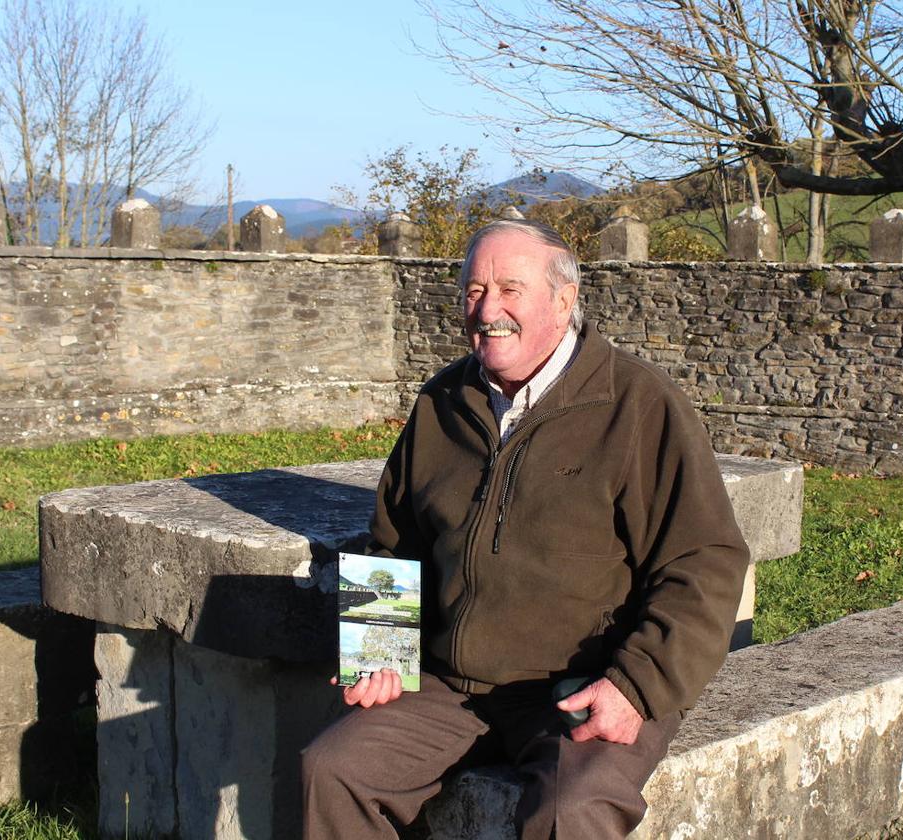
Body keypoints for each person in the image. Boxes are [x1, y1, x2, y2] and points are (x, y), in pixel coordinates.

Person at [302, 219, 749, 839]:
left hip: (583, 686)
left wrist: (636, 686)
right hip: (453, 685)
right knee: (333, 770)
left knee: (574, 810)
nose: (488, 310)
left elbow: (704, 560)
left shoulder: (638, 405)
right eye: (474, 291)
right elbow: (394, 538)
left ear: (564, 300)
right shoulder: (442, 402)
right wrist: (379, 649)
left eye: (511, 289)